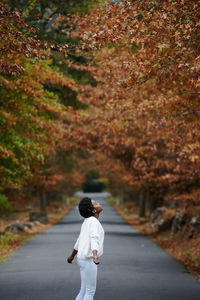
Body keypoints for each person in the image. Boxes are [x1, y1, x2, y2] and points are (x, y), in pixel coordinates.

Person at [67, 197, 104, 300]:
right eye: (95, 203)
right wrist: (95, 256)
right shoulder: (93, 222)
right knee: (90, 291)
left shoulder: (87, 221)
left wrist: (72, 255)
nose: (98, 203)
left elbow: (79, 240)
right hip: (89, 260)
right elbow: (94, 238)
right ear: (94, 210)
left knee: (84, 290)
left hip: (82, 260)